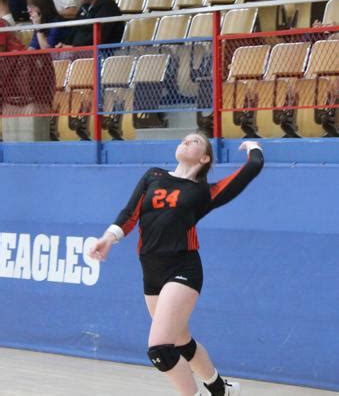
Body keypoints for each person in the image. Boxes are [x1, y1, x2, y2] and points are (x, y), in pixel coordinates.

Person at [89, 132, 264, 396]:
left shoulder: (204, 192)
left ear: (204, 157)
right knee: (182, 341)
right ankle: (220, 390)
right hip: (151, 271)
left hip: (182, 268)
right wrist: (108, 238)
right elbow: (129, 213)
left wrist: (252, 146)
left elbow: (252, 168)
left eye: (194, 141)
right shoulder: (153, 176)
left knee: (159, 349)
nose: (185, 141)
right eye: (184, 138)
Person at [57, 0, 124, 47]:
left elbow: (100, 36)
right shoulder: (84, 7)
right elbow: (74, 30)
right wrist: (65, 45)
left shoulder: (108, 7)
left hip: (101, 53)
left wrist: (75, 48)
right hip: (79, 53)